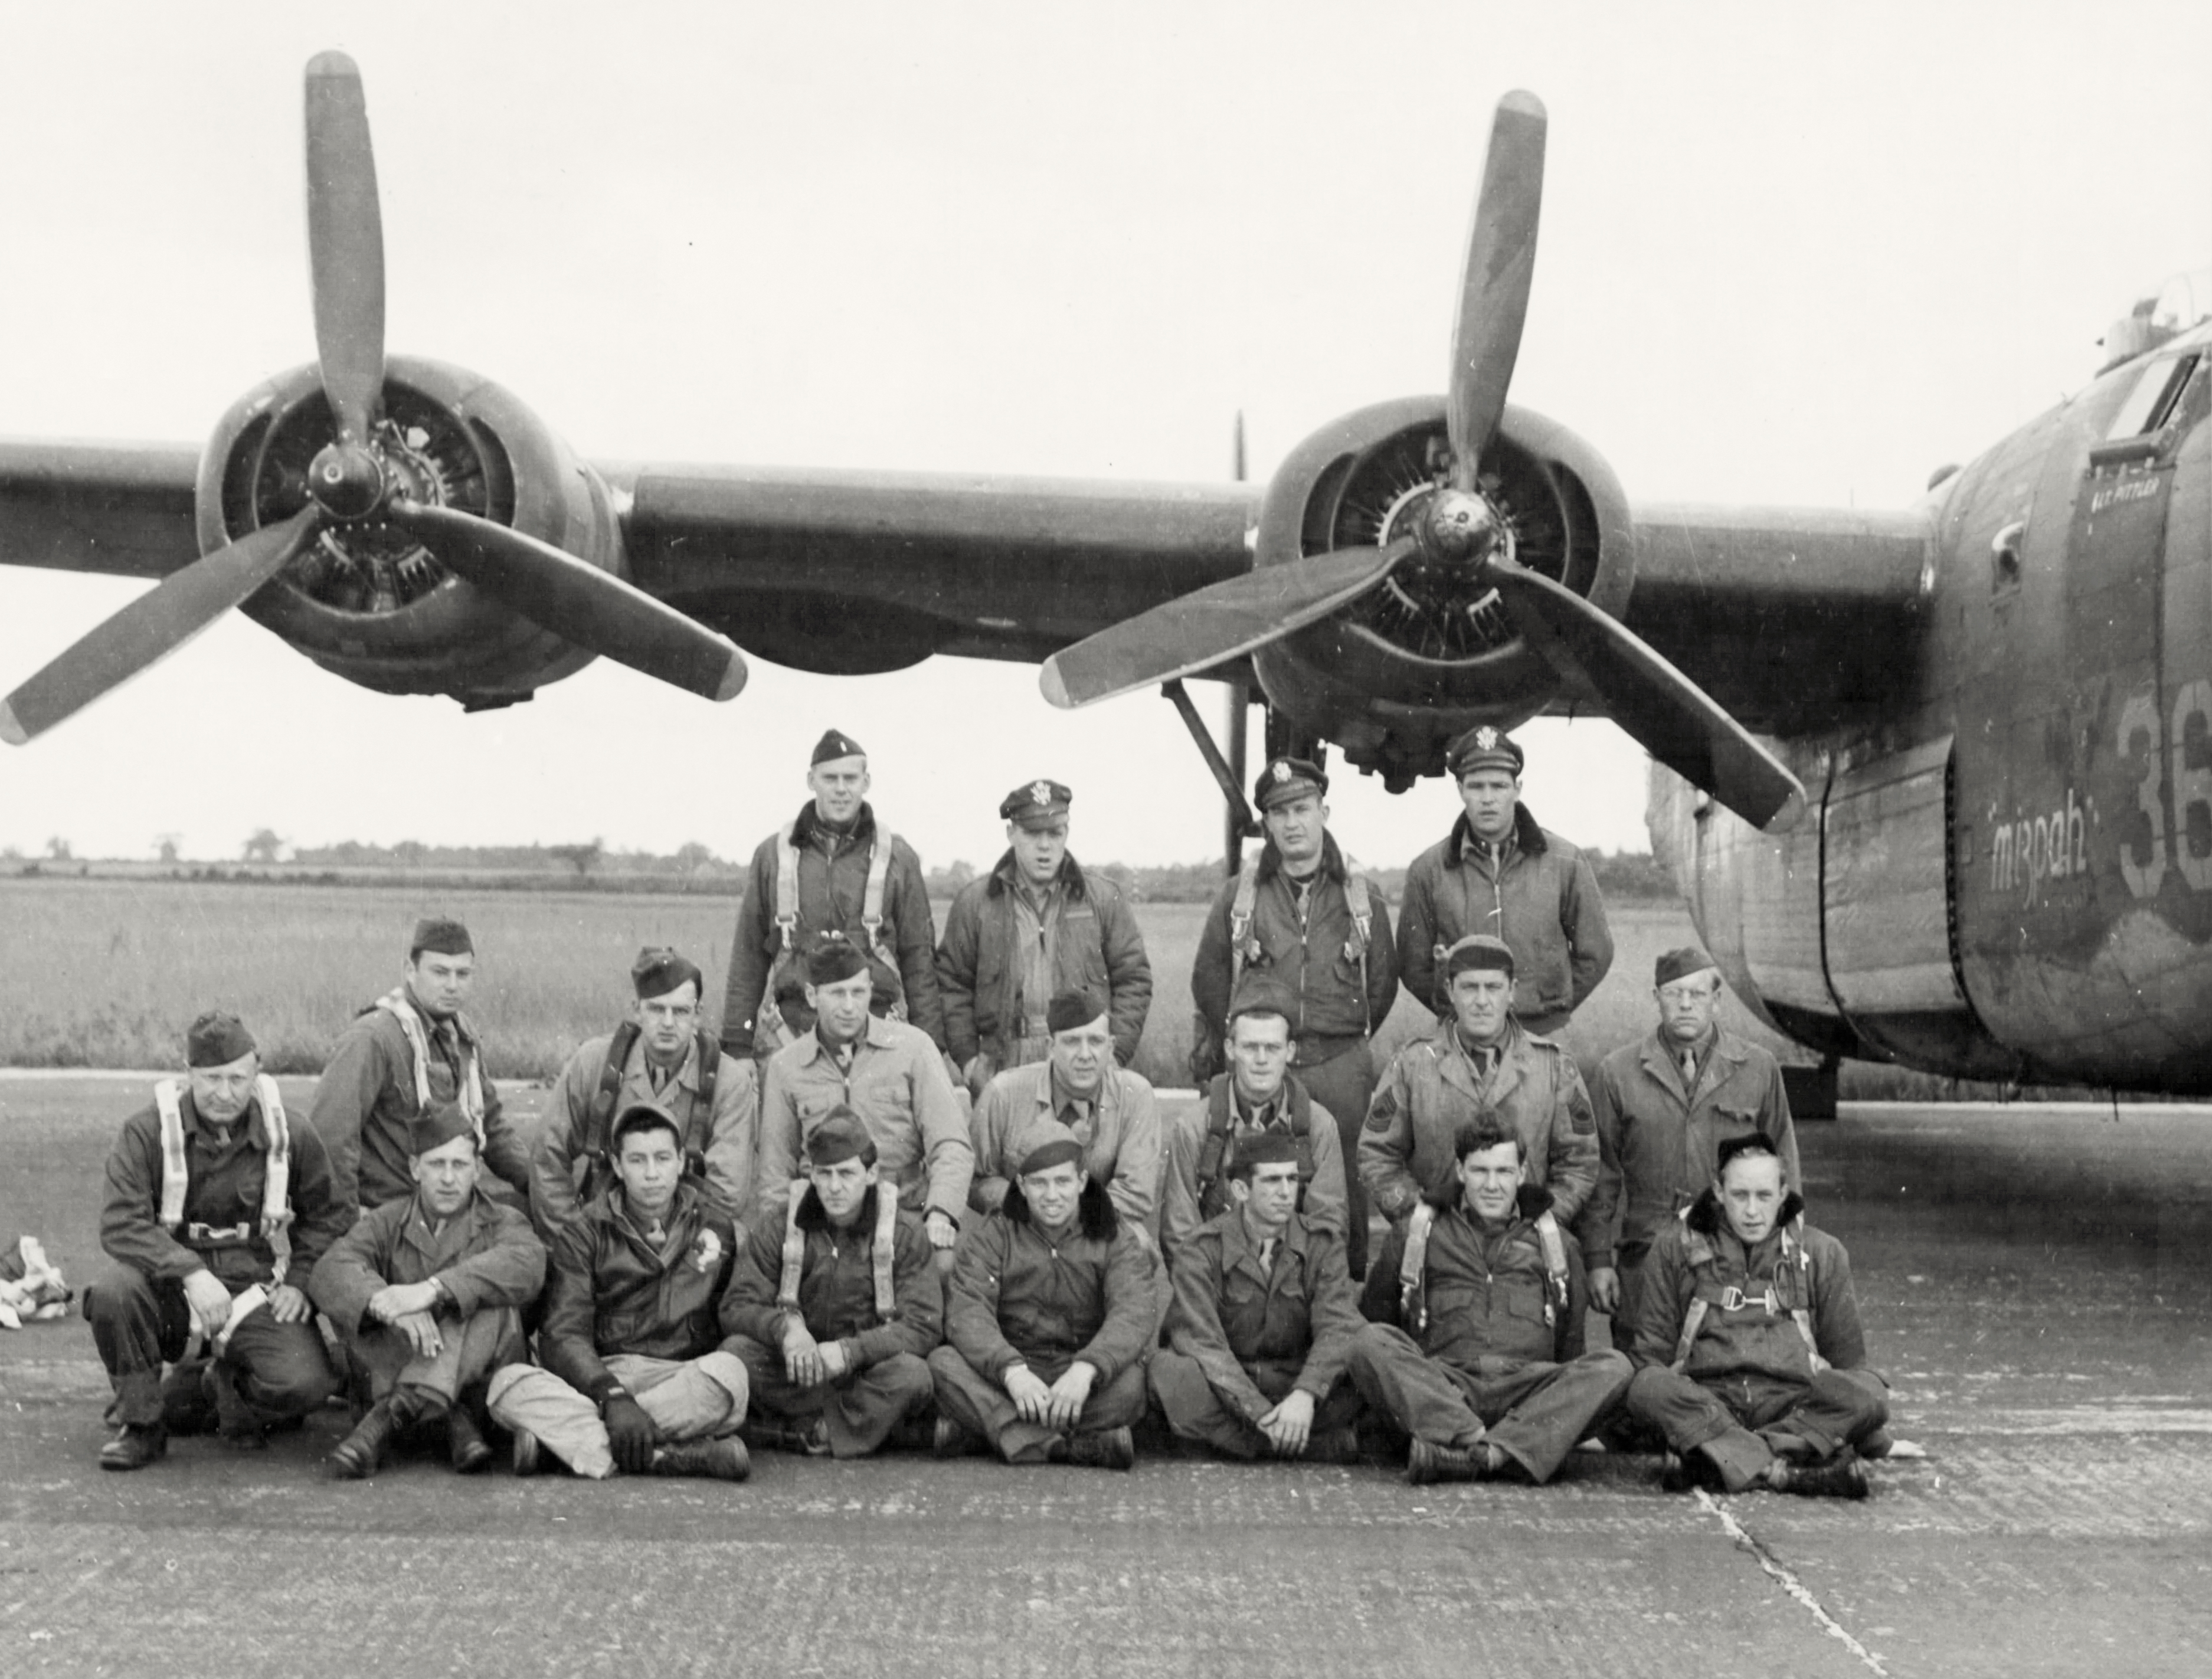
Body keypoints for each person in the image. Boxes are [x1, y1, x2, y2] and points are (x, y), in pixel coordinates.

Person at [85, 1013, 348, 1469]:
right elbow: (120, 1222)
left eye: (236, 1078)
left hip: (254, 1287)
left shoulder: (290, 1132)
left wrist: (301, 1280)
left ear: (257, 1072)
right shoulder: (147, 1132)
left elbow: (331, 1213)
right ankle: (143, 1425)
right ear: (187, 1071)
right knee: (114, 1291)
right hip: (170, 1289)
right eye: (210, 1078)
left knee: (305, 1386)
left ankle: (217, 1389)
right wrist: (190, 1270)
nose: (224, 1093)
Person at [1190, 755, 1396, 1275]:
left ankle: (1341, 1299)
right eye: (1278, 812)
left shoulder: (1360, 895)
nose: (1291, 823)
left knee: (1341, 1184)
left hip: (1339, 1063)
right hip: (1265, 1064)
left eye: (1301, 808)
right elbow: (1210, 979)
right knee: (1256, 1180)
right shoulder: (1240, 895)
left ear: (1324, 811)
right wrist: (1249, 1045)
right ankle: (1245, 1292)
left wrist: (1346, 1037)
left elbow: (1382, 983)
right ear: (1267, 823)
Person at [1350, 1121, 1630, 1484]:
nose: (1493, 1185)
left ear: (1523, 1173)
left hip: (1527, 1391)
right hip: (1448, 1387)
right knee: (1367, 1342)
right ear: (1460, 1171)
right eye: (1480, 1171)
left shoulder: (1558, 1243)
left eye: (1504, 1171)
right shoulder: (1416, 1233)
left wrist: (1557, 1403)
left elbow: (1569, 1344)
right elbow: (1379, 1317)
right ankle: (1492, 1447)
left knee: (1615, 1367)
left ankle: (1472, 1453)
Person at [486, 1105, 750, 1481]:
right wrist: (611, 1396)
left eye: (662, 1158)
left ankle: (576, 1446)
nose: (652, 1174)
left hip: (679, 1378)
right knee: (507, 1384)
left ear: (681, 1162)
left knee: (732, 1375)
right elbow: (563, 1334)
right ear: (618, 1165)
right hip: (602, 1376)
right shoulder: (584, 1232)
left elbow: (735, 1315)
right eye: (638, 1160)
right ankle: (670, 1455)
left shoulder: (715, 1226)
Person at [1623, 1134, 1887, 1498]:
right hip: (1709, 1401)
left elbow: (1850, 1363)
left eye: (1764, 1197)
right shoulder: (1674, 1249)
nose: (1751, 1211)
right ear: (1718, 1191)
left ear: (1783, 1194)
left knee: (1871, 1394)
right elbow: (1652, 1355)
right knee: (1646, 1386)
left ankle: (1720, 1461)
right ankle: (1785, 1471)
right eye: (1739, 1195)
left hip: (1792, 1405)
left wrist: (1856, 1420)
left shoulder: (1822, 1253)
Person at [310, 1101, 547, 1478]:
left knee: (488, 1305)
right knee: (363, 1305)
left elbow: (529, 1263)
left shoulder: (503, 1220)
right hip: (418, 1373)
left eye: (460, 1165)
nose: (449, 1178)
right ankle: (449, 1416)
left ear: (477, 1171)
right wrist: (390, 1305)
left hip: (477, 1391)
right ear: (415, 1168)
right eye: (437, 1165)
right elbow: (329, 1271)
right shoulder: (388, 1221)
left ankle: (390, 1416)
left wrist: (434, 1290)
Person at [1579, 947, 1799, 1351]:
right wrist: (1597, 1260)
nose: (1685, 1004)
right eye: (1673, 993)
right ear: (1656, 997)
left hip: (1734, 1251)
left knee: (1731, 1358)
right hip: (1646, 1251)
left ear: (1717, 1000)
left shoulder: (1758, 1068)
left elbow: (1785, 1170)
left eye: (1697, 995)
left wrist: (1787, 1251)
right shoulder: (1618, 1072)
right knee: (1643, 1361)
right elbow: (1601, 1176)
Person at [719, 1109, 941, 1457]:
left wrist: (851, 1352)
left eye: (846, 1174)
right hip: (798, 1371)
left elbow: (923, 1325)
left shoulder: (904, 1233)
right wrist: (786, 1330)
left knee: (913, 1375)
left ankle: (798, 1432)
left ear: (870, 1174)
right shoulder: (780, 1225)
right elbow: (737, 1305)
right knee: (735, 1354)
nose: (834, 1187)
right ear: (811, 1175)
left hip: (863, 1372)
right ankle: (844, 1430)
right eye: (824, 1175)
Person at [719, 728, 947, 1060]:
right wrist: (737, 1045)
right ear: (811, 780)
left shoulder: (898, 857)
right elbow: (748, 958)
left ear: (866, 782)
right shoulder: (772, 856)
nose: (841, 789)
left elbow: (919, 962)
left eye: (851, 778)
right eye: (830, 778)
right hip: (791, 1036)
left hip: (881, 1039)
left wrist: (932, 1049)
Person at [929, 1130, 1151, 1468]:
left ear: (1081, 1182)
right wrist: (1010, 1370)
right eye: (1039, 1183)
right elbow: (968, 1310)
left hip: (1078, 1373)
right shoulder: (996, 1234)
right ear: (1020, 1184)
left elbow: (1133, 1310)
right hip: (1013, 1370)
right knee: (943, 1364)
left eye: (1062, 1182)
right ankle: (1071, 1446)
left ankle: (996, 1433)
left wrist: (1087, 1368)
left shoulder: (1113, 1233)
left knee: (1133, 1385)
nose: (1052, 1196)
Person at [756, 934, 972, 1271]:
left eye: (858, 992)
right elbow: (776, 1170)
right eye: (836, 993)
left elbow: (951, 1144)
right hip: (824, 1219)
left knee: (943, 1263)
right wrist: (784, 1231)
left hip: (904, 1214)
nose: (849, 1006)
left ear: (871, 991)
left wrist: (941, 1211)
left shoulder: (914, 1049)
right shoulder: (786, 1067)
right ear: (812, 996)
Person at [1150, 1131, 1366, 1462]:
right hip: (1230, 1390)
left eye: (1293, 1179)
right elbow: (1202, 1341)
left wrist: (1305, 1396)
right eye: (1272, 1181)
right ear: (1240, 1190)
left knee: (1363, 1356)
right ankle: (1301, 1444)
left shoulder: (1322, 1243)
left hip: (1298, 1382)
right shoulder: (1202, 1249)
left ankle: (1246, 1444)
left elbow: (1337, 1326)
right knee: (1169, 1373)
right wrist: (1259, 1411)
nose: (1285, 1192)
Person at [1358, 935, 1597, 1230]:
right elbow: (1377, 1154)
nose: (1481, 1002)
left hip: (1526, 1244)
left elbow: (1580, 1160)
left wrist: (1544, 1220)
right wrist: (1416, 1215)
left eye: (1493, 988)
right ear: (1450, 991)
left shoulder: (1554, 1066)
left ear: (1512, 992)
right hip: (1438, 1241)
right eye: (1470, 988)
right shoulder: (1412, 1064)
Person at [937, 778, 1152, 1096]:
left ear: (1067, 833)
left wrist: (1114, 1057)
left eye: (1054, 833)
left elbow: (1134, 979)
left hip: (1081, 1060)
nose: (1045, 845)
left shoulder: (1102, 899)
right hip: (1005, 1062)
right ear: (1011, 834)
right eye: (1033, 833)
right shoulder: (976, 902)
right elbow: (952, 984)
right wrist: (969, 1061)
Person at [1396, 727, 1612, 1037]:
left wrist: (1552, 1007)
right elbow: (1413, 967)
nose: (1488, 799)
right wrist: (1463, 1012)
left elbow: (1596, 952)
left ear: (1517, 788)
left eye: (1498, 786)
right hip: (1461, 1039)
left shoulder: (1566, 861)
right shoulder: (1428, 870)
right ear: (1460, 789)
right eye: (1476, 787)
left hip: (1543, 1033)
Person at [533, 947, 758, 1239]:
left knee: (738, 1242)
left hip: (688, 1239)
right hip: (603, 1236)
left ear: (698, 1015)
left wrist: (663, 1251)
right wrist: (572, 1241)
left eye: (680, 1011)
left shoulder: (730, 1082)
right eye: (656, 1009)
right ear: (637, 1010)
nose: (668, 1023)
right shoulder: (593, 1063)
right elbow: (547, 1157)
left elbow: (726, 1194)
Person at [309, 916, 532, 1211]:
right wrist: (350, 1225)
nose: (452, 986)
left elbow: (489, 1125)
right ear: (410, 971)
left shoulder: (462, 1035)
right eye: (440, 972)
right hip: (388, 1214)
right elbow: (332, 1141)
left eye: (463, 974)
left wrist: (541, 1184)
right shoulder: (374, 1038)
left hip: (448, 1209)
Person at [1161, 978, 1349, 1258]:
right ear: (1230, 1049)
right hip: (1216, 1280)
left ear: (1290, 1051)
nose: (1261, 1059)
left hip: (1291, 1281)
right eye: (1250, 1047)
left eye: (1272, 1048)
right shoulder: (1194, 1127)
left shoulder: (1317, 1126)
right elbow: (1180, 1234)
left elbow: (1328, 1228)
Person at [967, 989, 1164, 1238]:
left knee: (1140, 1244)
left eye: (1095, 1041)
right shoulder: (1003, 1093)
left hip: (1099, 1230)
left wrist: (1070, 1222)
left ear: (1111, 1047)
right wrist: (1035, 1210)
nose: (1085, 1055)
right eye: (1072, 1042)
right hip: (1022, 1230)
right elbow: (976, 1180)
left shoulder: (1135, 1095)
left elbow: (1134, 1192)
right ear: (1050, 1046)